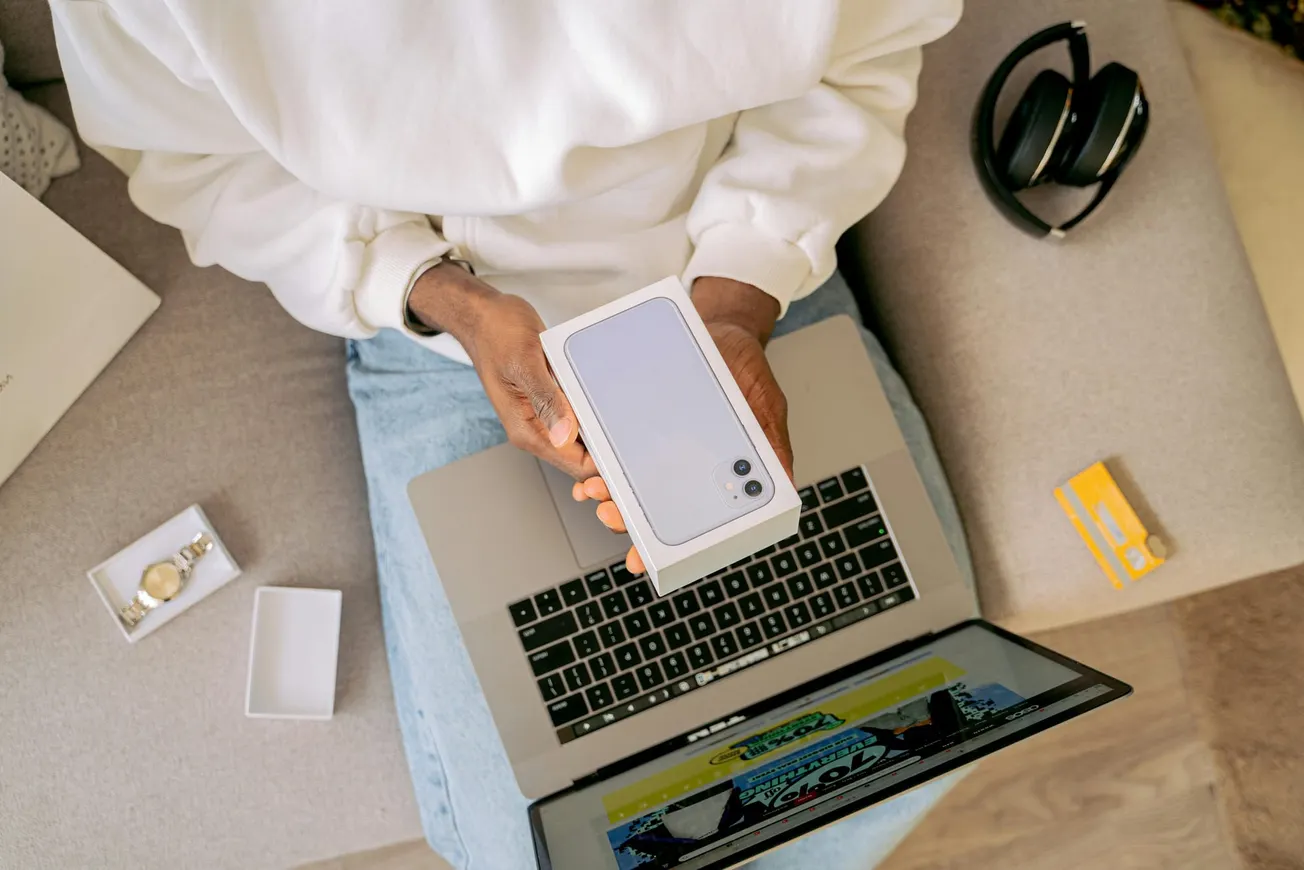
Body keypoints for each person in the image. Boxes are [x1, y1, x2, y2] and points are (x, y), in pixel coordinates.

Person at [53, 1, 973, 866]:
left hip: (740, 251)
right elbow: (191, 156)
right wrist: (446, 298)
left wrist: (737, 301)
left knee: (923, 733)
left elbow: (863, 54)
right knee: (545, 846)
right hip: (446, 335)